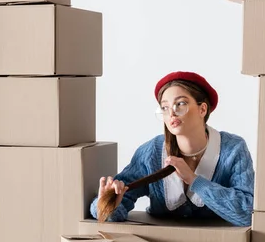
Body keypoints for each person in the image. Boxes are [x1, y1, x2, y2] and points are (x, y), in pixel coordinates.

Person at [89, 71, 254, 226]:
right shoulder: (151, 152)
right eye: (165, 107)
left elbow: (247, 213)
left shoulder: (233, 149)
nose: (171, 114)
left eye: (180, 104)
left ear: (202, 109)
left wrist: (194, 180)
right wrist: (107, 204)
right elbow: (110, 212)